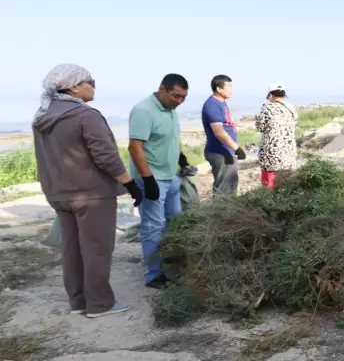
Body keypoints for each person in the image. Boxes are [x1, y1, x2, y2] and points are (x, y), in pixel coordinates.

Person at [32, 65, 142, 318]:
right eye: (90, 81)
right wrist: (130, 183)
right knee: (96, 249)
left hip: (58, 193)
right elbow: (106, 157)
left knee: (71, 249)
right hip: (91, 194)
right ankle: (100, 304)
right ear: (73, 87)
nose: (94, 86)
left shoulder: (42, 117)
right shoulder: (86, 115)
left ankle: (78, 302)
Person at [129, 74, 189, 290]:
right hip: (152, 179)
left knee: (174, 222)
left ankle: (170, 263)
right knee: (153, 226)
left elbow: (171, 139)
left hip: (170, 176)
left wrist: (181, 158)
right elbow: (135, 147)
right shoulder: (144, 110)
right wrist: (147, 179)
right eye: (176, 96)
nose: (179, 101)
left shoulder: (171, 110)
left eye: (183, 98)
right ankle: (154, 275)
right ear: (162, 89)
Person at [201, 75, 244, 196]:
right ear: (219, 89)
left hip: (227, 151)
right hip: (219, 151)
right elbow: (219, 132)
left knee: (231, 185)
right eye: (229, 86)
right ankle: (220, 214)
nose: (231, 89)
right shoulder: (212, 105)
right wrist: (237, 149)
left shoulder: (222, 103)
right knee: (223, 189)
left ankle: (230, 213)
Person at [255, 84, 298, 190]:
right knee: (286, 180)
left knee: (269, 182)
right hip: (288, 149)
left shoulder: (267, 107)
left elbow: (260, 127)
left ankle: (268, 202)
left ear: (270, 94)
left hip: (271, 150)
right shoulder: (290, 108)